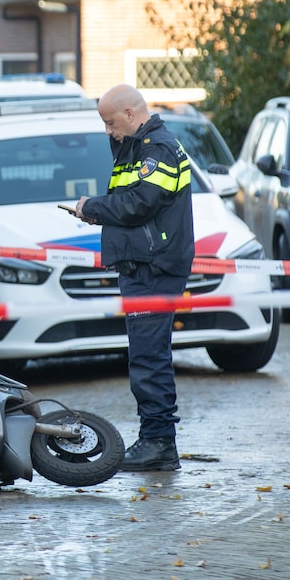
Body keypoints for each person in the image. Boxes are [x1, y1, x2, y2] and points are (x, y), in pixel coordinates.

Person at [74, 84, 194, 471]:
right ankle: (155, 438)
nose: (108, 132)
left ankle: (159, 443)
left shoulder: (158, 149)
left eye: (111, 123)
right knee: (146, 355)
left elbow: (139, 203)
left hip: (153, 267)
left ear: (129, 114)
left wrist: (92, 207)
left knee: (149, 358)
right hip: (142, 264)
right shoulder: (138, 147)